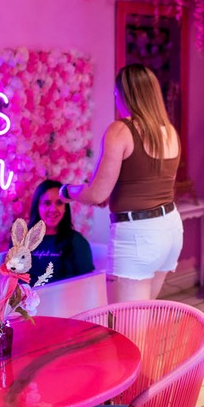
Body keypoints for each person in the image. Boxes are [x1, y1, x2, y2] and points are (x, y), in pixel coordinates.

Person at [60, 64, 182, 302]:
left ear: (123, 94)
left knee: (126, 328)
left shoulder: (121, 130)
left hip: (138, 235)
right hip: (170, 229)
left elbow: (96, 194)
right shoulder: (169, 132)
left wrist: (68, 191)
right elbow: (153, 183)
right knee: (142, 316)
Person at [26, 179, 94, 283]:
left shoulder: (77, 241)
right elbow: (11, 279)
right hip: (26, 298)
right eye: (46, 203)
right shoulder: (22, 239)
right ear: (37, 207)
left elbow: (88, 282)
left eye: (59, 203)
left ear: (65, 208)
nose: (53, 209)